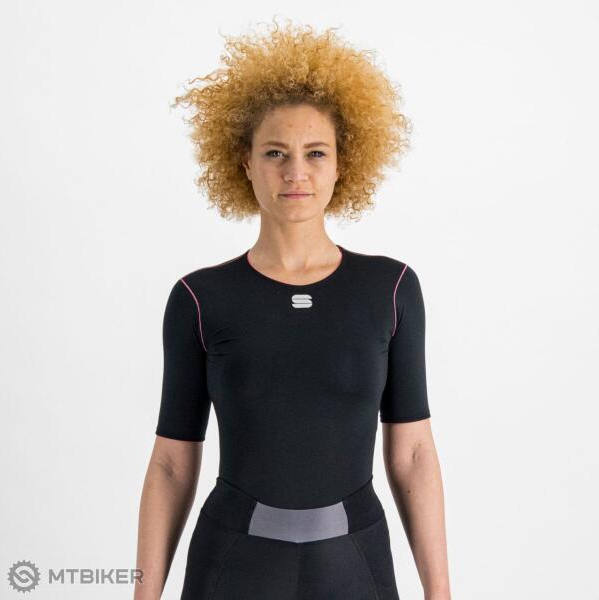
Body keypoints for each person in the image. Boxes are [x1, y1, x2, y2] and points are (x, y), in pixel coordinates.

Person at [135, 19, 451, 600]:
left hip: (355, 563)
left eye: (315, 153)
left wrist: (441, 592)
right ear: (245, 162)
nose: (295, 172)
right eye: (275, 152)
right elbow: (172, 465)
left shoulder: (390, 288)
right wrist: (142, 594)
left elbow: (412, 454)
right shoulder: (200, 298)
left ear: (342, 163)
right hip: (230, 562)